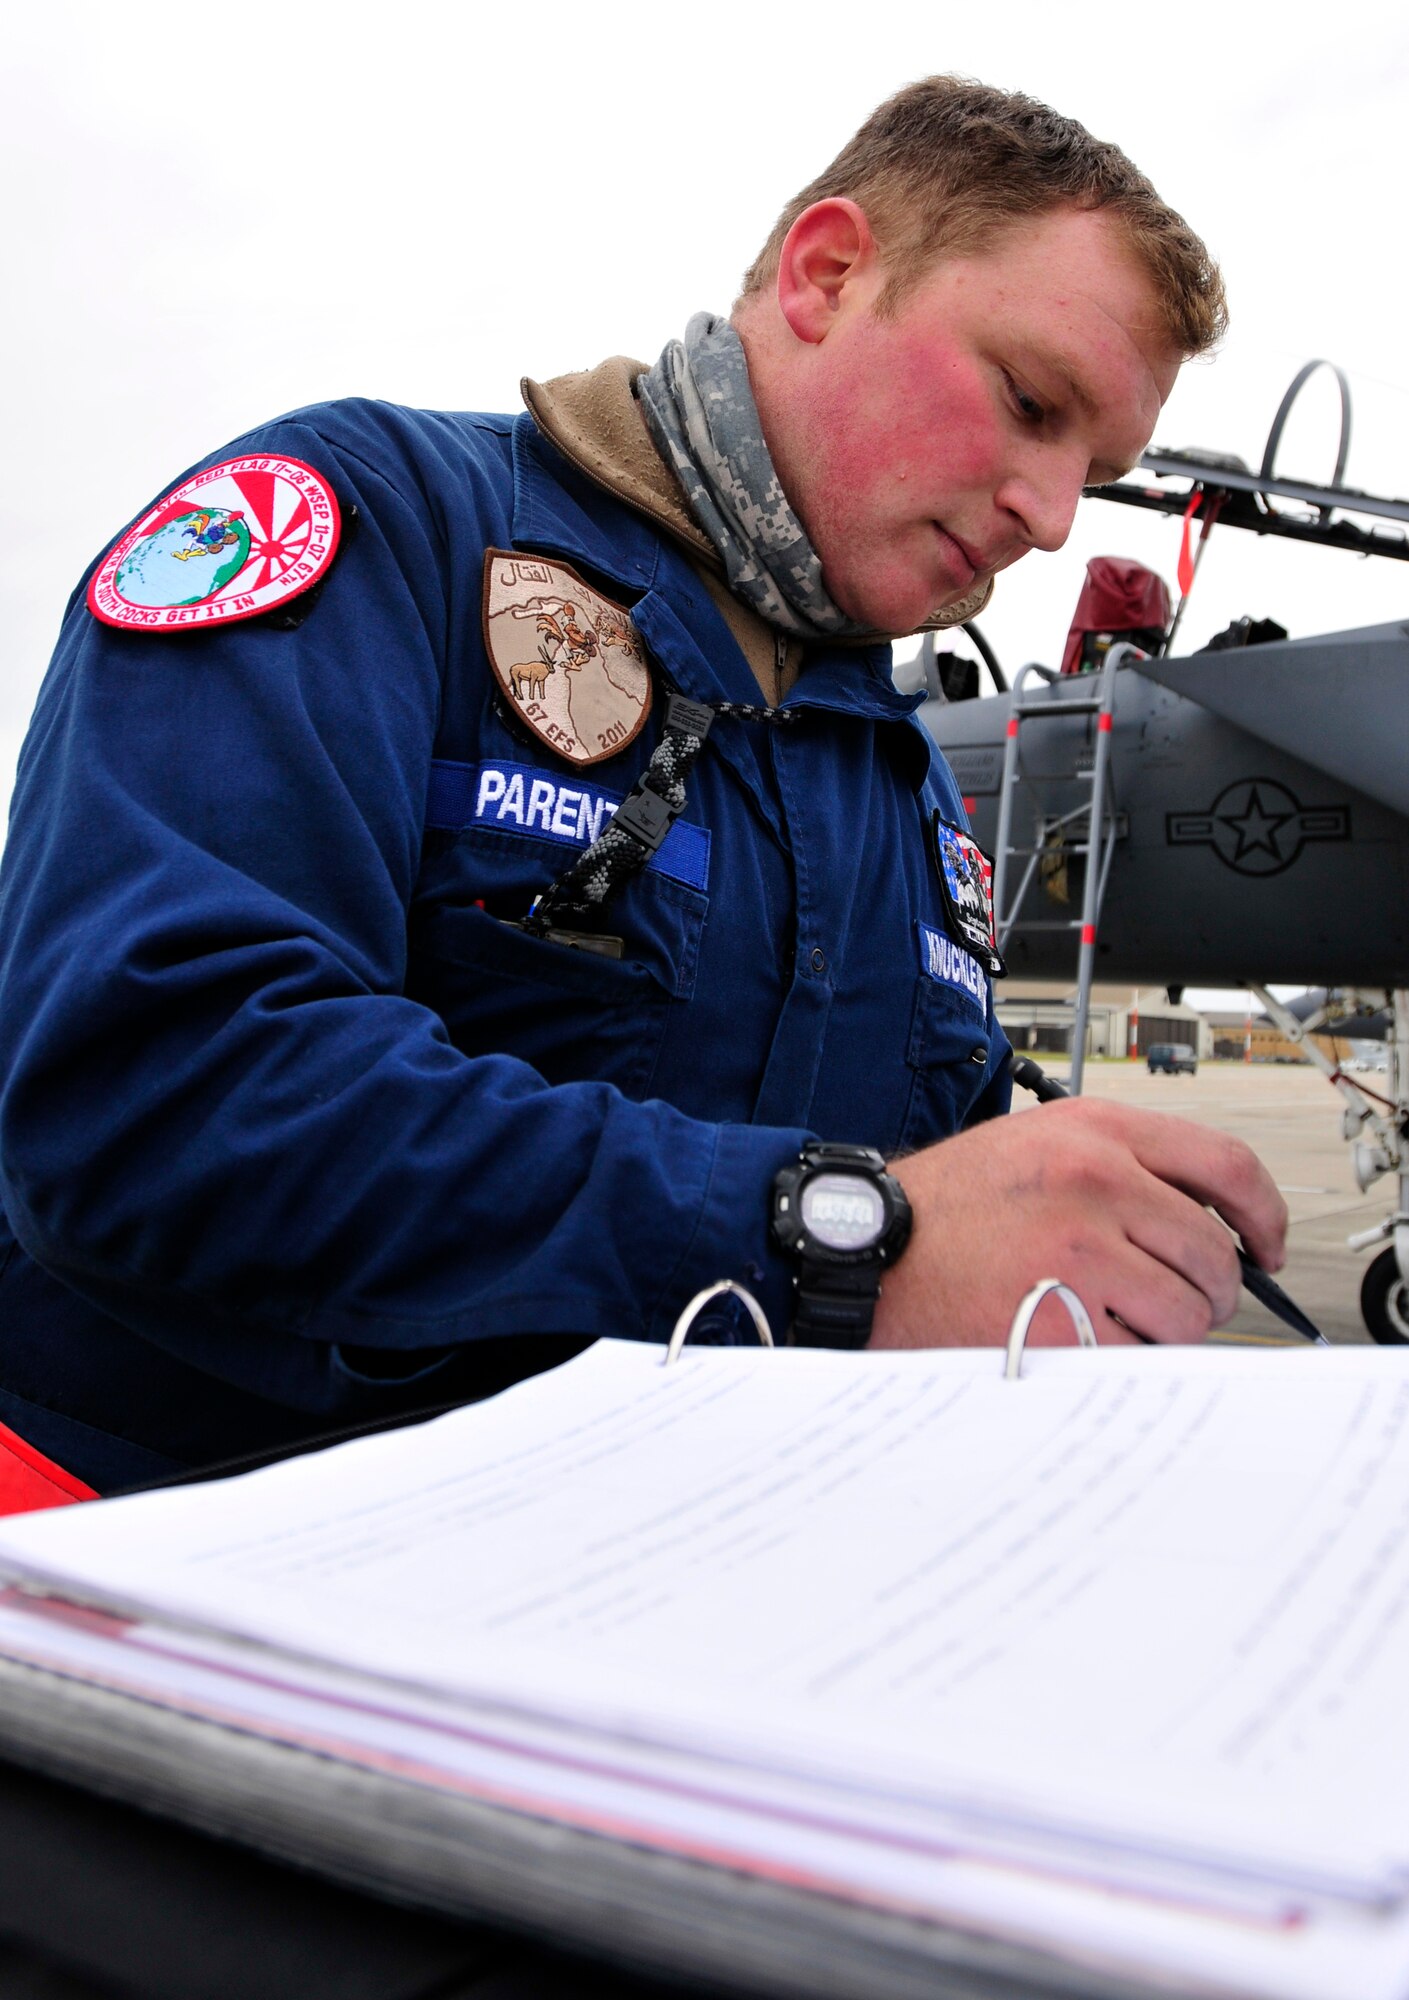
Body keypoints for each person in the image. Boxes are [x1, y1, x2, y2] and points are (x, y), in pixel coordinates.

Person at [0, 78, 1286, 1494]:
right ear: (828, 273)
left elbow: (936, 1185)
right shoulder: (371, 525)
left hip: (661, 1603)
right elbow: (145, 1099)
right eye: (1028, 402)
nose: (1048, 517)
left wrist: (1058, 1229)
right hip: (180, 1593)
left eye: (1092, 472)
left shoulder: (897, 772)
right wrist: (833, 1231)